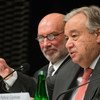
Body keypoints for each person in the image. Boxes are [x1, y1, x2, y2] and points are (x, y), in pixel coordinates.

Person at [34, 13, 81, 100]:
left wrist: (14, 77)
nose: (45, 44)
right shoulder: (39, 73)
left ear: (67, 35)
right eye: (41, 38)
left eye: (51, 36)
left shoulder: (79, 67)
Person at [64, 5, 100, 100]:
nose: (68, 45)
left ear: (98, 35)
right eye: (67, 38)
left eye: (74, 35)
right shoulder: (66, 71)